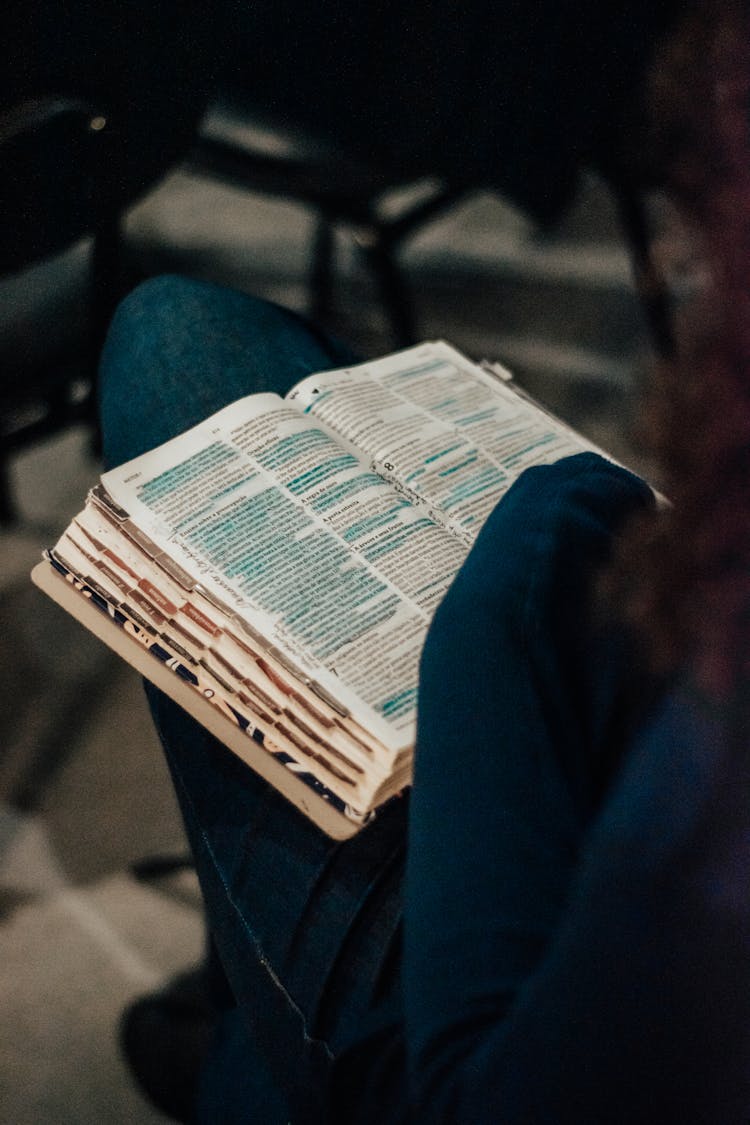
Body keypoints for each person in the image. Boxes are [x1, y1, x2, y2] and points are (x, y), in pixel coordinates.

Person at [99, 0, 750, 1120]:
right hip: (616, 861)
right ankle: (243, 1038)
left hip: (484, 1048)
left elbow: (474, 1098)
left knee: (174, 343)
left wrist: (529, 561)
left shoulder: (706, 820)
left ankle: (245, 1054)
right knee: (208, 344)